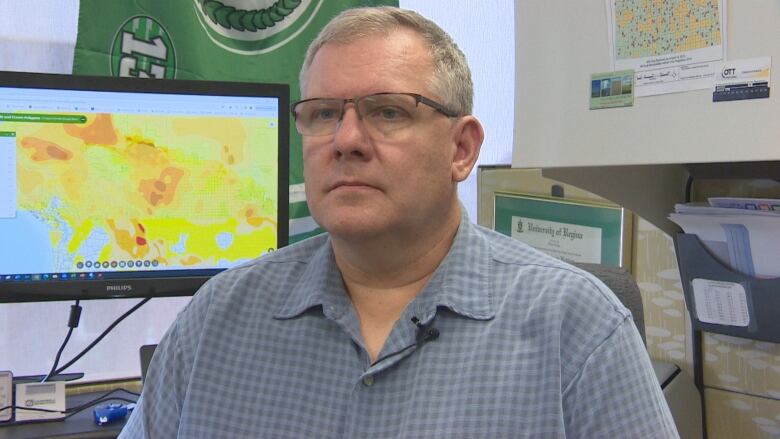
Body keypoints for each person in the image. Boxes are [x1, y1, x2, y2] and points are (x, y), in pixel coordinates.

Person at [120, 6, 678, 438]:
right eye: (322, 114)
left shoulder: (577, 329)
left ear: (462, 149)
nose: (346, 141)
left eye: (388, 111)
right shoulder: (218, 318)